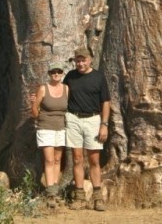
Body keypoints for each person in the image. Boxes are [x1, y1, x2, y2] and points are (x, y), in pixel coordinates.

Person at [64, 47, 110, 211]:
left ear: (90, 60)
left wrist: (104, 125)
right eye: (78, 60)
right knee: (77, 159)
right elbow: (61, 94)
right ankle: (79, 196)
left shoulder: (98, 77)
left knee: (94, 160)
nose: (80, 63)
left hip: (93, 120)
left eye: (83, 60)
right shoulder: (70, 76)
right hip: (74, 119)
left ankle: (98, 198)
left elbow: (105, 102)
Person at [31, 60, 69, 207]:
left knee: (58, 160)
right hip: (46, 127)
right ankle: (50, 193)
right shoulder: (43, 88)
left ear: (62, 74)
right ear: (49, 74)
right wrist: (39, 118)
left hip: (61, 127)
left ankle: (54, 190)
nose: (56, 74)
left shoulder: (66, 89)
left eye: (59, 72)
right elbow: (34, 108)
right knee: (49, 160)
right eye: (53, 72)